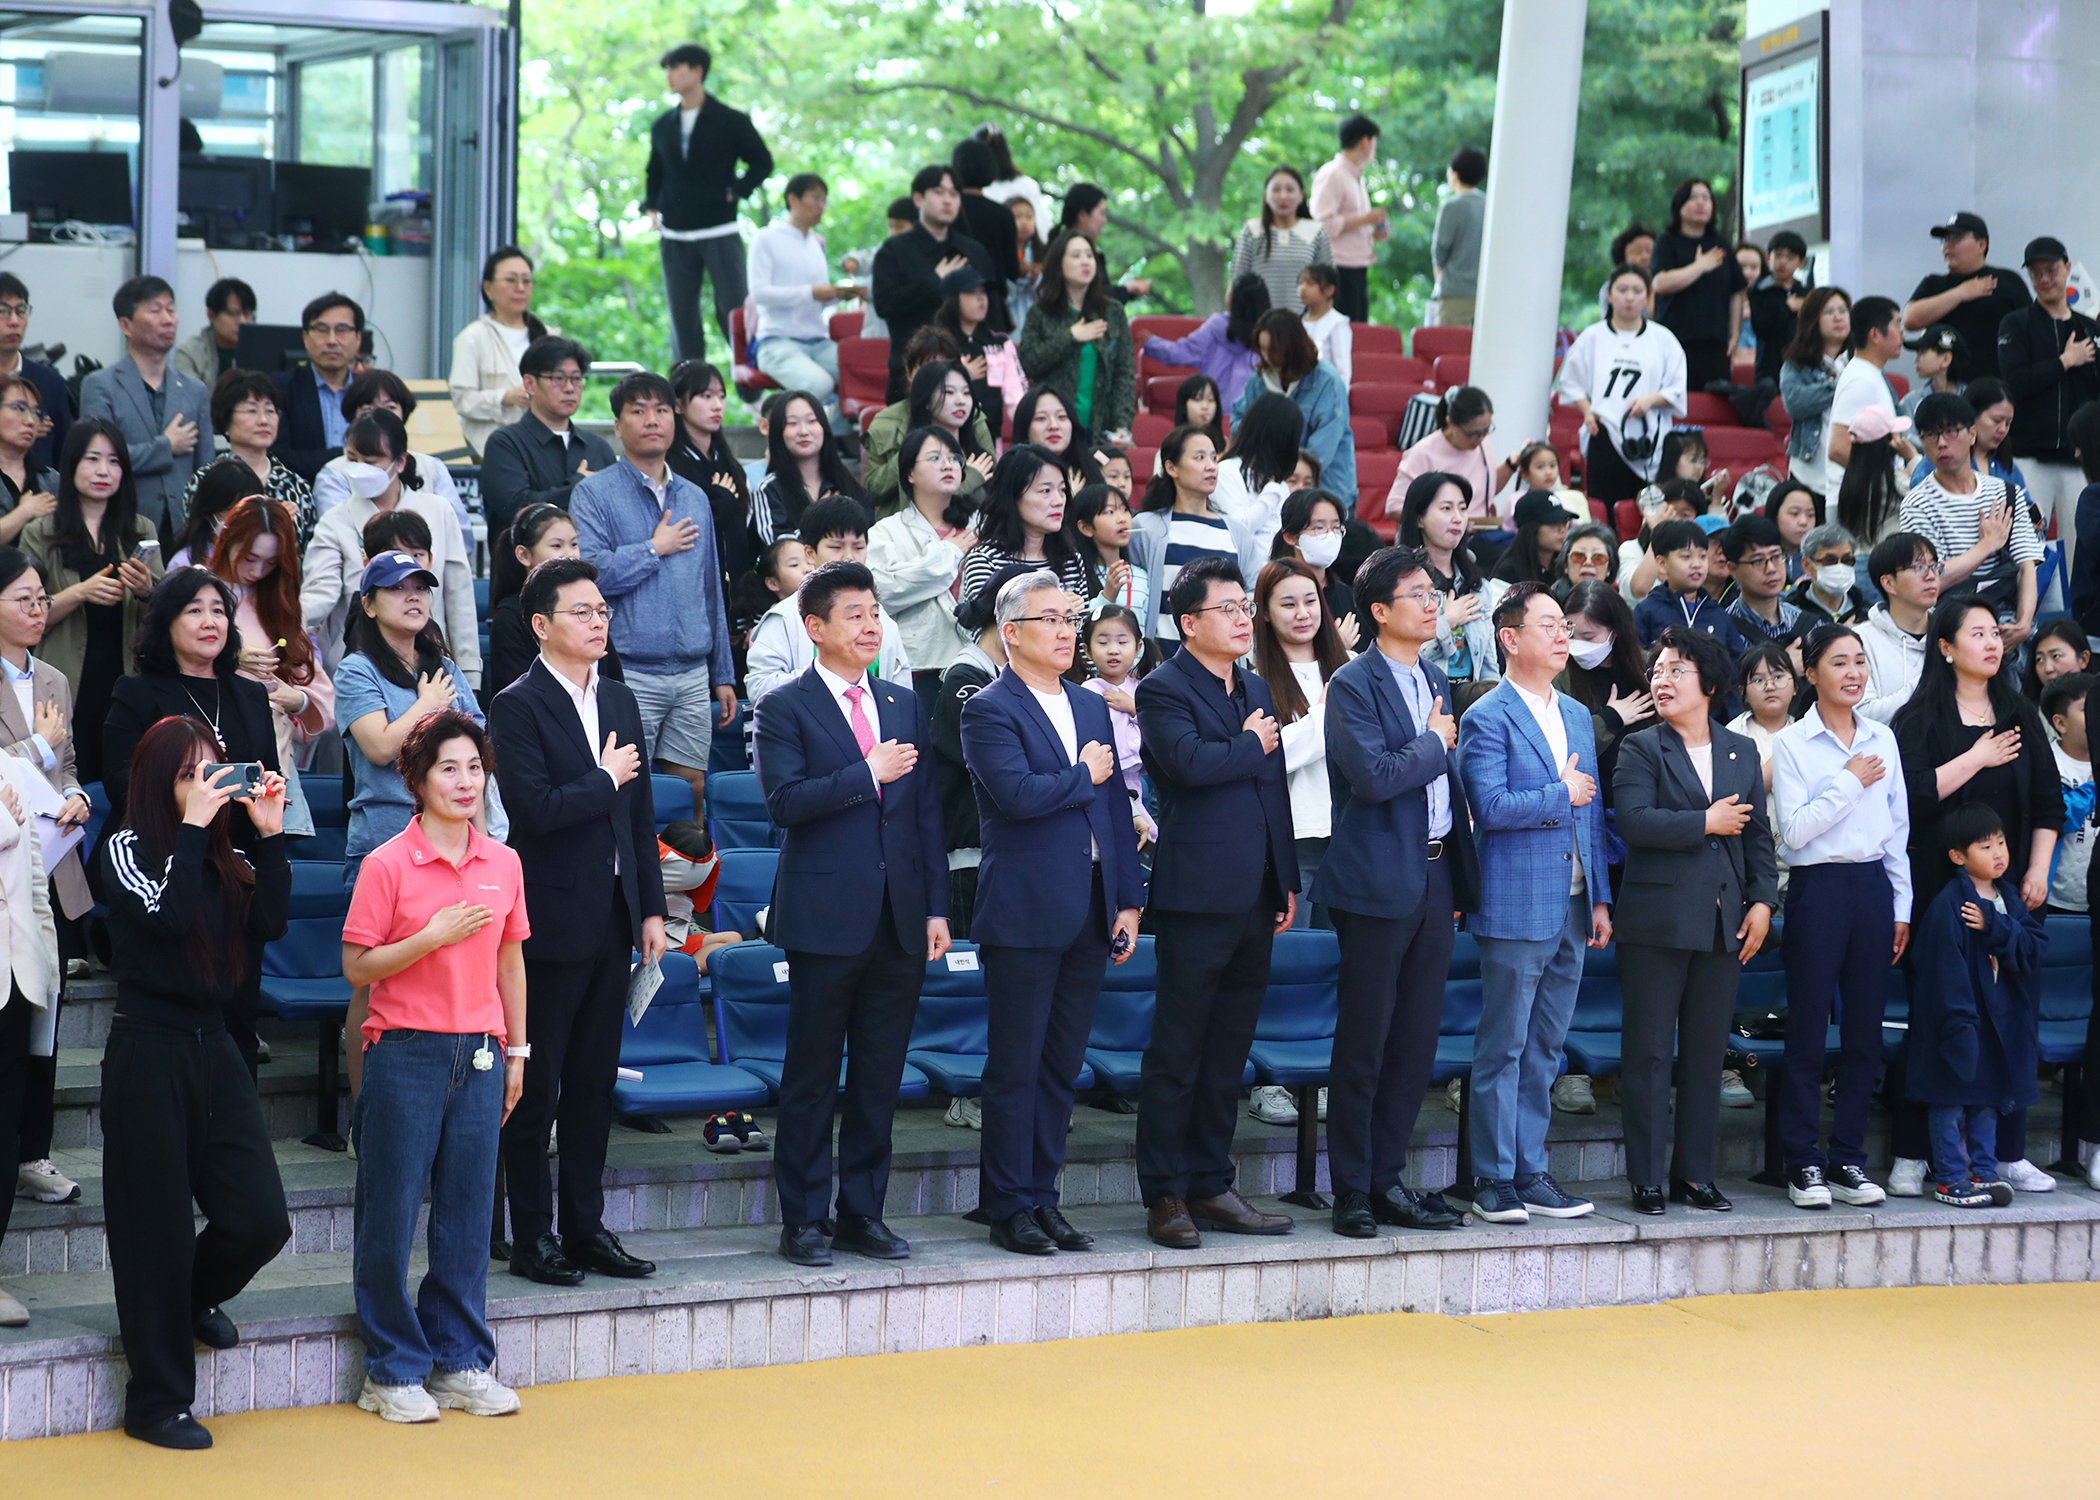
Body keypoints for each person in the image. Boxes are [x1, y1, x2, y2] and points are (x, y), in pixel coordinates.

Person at [98, 717, 290, 1448]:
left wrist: (267, 836)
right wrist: (191, 828)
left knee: (260, 1218)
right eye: (188, 775)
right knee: (156, 1232)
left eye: (213, 771)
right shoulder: (125, 847)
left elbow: (269, 921)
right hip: (148, 1048)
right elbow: (170, 918)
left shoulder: (226, 850)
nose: (205, 787)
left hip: (216, 1046)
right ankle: (156, 1402)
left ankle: (186, 1302)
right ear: (156, 782)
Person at [756, 560, 949, 1266]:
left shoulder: (903, 703)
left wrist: (935, 906)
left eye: (876, 613)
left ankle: (861, 1213)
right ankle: (802, 1219)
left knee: (878, 1076)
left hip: (900, 918)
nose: (871, 626)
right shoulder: (785, 707)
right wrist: (866, 773)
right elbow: (785, 804)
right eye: (855, 615)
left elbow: (925, 814)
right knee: (811, 1077)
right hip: (824, 916)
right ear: (815, 627)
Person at [343, 710, 529, 1424]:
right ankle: (391, 1370)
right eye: (448, 768)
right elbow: (356, 967)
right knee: (388, 1213)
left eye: (475, 767)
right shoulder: (388, 862)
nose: (465, 781)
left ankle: (459, 1361)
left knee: (466, 1212)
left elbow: (511, 959)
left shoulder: (503, 861)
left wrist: (518, 1049)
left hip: (481, 1051)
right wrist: (429, 937)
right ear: (416, 781)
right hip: (406, 1052)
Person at [488, 557, 664, 1285]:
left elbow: (641, 810)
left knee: (594, 1086)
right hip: (550, 919)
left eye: (603, 612)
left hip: (617, 919)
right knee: (539, 1084)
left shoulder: (619, 698)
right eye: (583, 612)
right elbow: (535, 812)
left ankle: (586, 1228)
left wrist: (652, 905)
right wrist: (601, 780)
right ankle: (532, 1236)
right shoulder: (517, 704)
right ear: (541, 625)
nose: (599, 623)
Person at [960, 571, 1142, 1253]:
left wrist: (1128, 898)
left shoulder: (1091, 706)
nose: (1068, 632)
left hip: (1093, 907)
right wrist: (1083, 775)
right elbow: (1016, 796)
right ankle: (1006, 1204)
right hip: (1026, 909)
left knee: (1062, 1065)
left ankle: (1044, 1195)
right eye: (1053, 620)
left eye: (1072, 619)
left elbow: (1116, 811)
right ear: (1012, 633)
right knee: (1016, 1066)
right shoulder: (989, 708)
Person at [1311, 543, 1476, 1233]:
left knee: (1415, 1041)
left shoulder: (1437, 676)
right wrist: (1436, 743)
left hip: (1437, 874)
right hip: (1376, 878)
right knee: (1365, 1039)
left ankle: (1389, 1180)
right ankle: (1351, 1187)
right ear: (1378, 611)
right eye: (1417, 593)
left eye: (1434, 591)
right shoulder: (1353, 683)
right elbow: (1375, 778)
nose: (1432, 601)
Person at [1133, 556, 1297, 1248]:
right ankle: (1165, 1193)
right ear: (1189, 621)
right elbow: (1189, 768)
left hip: (1257, 890)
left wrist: (1285, 876)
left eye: (1242, 608)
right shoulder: (1162, 688)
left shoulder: (1254, 682)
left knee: (1228, 1047)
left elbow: (1272, 787)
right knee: (1178, 1048)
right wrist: (1250, 742)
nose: (1240, 619)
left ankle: (1211, 1182)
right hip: (1197, 894)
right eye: (1226, 609)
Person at [1886, 594, 2062, 1197]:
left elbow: (2046, 803)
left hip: (2006, 894)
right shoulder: (1920, 718)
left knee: (2011, 1023)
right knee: (1939, 1021)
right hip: (1938, 896)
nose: (1992, 643)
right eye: (1978, 634)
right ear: (1945, 647)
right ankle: (1913, 1152)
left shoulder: (2017, 711)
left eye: (1996, 634)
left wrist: (2035, 870)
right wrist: (1977, 756)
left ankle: (2005, 1155)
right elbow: (1906, 799)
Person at [1455, 583, 1611, 1224]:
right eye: (1547, 624)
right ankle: (1491, 1178)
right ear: (1509, 639)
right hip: (1516, 902)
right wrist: (1560, 793)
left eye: (1564, 625)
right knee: (1504, 1045)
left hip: (1574, 902)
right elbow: (1488, 809)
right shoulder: (1486, 715)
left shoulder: (1577, 714)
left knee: (1547, 1045)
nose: (1561, 634)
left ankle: (1531, 1168)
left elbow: (1593, 814)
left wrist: (1600, 897)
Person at [1612, 627, 1777, 1215]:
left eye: (1676, 670)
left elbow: (1757, 837)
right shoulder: (1641, 747)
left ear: (1709, 684)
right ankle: (1646, 1177)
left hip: (1724, 923)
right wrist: (1703, 823)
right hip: (1657, 922)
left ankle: (1695, 1174)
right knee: (1650, 1053)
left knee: (1708, 1054)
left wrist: (1762, 902)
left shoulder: (1741, 750)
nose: (1661, 679)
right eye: (1657, 670)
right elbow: (1632, 820)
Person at [334, 550, 488, 1102]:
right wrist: (426, 705)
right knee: (375, 986)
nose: (414, 596)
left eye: (421, 586)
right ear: (369, 604)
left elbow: (474, 752)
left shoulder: (442, 667)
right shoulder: (357, 669)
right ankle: (365, 1111)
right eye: (398, 588)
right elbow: (378, 747)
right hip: (386, 843)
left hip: (455, 848)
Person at [1770, 622, 1911, 1208]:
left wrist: (1901, 905)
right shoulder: (1792, 744)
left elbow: (1897, 829)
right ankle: (1801, 1161)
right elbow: (1794, 835)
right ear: (1812, 673)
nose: (1854, 673)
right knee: (1807, 1031)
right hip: (1817, 888)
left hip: (1873, 887)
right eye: (1839, 663)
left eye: (1860, 662)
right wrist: (1849, 783)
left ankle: (1848, 1158)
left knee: (1864, 1034)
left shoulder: (1883, 736)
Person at [570, 372, 738, 803]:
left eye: (662, 410)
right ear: (617, 425)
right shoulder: (593, 493)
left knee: (690, 791)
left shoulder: (695, 496)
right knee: (627, 789)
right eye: (638, 411)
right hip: (629, 669)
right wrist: (653, 549)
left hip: (692, 671)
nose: (652, 420)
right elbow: (591, 576)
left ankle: (685, 872)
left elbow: (710, 590)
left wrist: (723, 674)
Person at [1903, 803, 2041, 1207]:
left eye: (2001, 842)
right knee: (1949, 1100)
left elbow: (2033, 949)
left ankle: (1983, 1172)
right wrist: (1959, 1024)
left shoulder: (2009, 898)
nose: (1998, 852)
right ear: (1958, 857)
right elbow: (1941, 971)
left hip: (1998, 1024)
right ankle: (1948, 1177)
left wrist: (1995, 925)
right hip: (1959, 1023)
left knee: (1987, 1099)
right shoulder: (1950, 904)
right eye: (1985, 846)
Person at [22, 421, 160, 783]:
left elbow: (164, 616)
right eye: (93, 459)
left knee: (127, 781)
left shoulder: (141, 529)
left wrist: (147, 590)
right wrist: (81, 592)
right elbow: (23, 613)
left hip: (127, 673)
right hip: (64, 677)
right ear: (70, 466)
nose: (103, 471)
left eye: (114, 462)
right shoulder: (42, 532)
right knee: (66, 780)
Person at [302, 408, 480, 687]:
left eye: (371, 461)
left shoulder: (438, 511)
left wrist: (470, 674)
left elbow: (459, 598)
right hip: (357, 663)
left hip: (428, 663)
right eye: (352, 459)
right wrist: (285, 618)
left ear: (400, 462)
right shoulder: (336, 520)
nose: (359, 469)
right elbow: (319, 593)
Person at [206, 498, 333, 837]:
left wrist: (299, 701)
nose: (257, 571)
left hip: (271, 763)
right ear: (228, 539)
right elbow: (164, 660)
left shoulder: (280, 606)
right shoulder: (195, 587)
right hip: (206, 757)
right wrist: (231, 657)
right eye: (250, 558)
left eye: (270, 562)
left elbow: (319, 695)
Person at [643, 43, 773, 363]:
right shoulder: (662, 125)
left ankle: (751, 383)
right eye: (667, 70)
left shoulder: (731, 120)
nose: (670, 76)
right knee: (682, 317)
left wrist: (737, 190)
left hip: (719, 227)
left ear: (697, 71)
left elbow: (762, 162)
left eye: (676, 68)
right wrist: (651, 208)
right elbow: (654, 171)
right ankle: (685, 392)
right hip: (675, 233)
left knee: (732, 311)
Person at [1250, 559, 1348, 929]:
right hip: (1296, 837)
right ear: (1265, 613)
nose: (1303, 613)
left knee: (1349, 958)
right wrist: (1325, 717)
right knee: (1296, 954)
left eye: (1311, 601)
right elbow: (1268, 753)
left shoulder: (1352, 668)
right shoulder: (1253, 677)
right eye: (1288, 604)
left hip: (1351, 834)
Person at [0, 700, 58, 1323]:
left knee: (4, 1133)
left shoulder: (12, 773)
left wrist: (43, 974)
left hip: (15, 981)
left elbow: (36, 886)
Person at [1900, 392, 2039, 648]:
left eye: (1951, 431)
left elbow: (2026, 565)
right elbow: (1932, 579)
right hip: (1952, 626)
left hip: (2004, 617)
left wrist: (2024, 623)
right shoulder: (1917, 503)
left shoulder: (2005, 492)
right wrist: (1987, 545)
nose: (1942, 443)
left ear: (1972, 435)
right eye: (1931, 435)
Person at [78, 276, 213, 536]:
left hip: (183, 528)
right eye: (155, 310)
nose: (168, 318)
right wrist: (166, 447)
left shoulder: (195, 390)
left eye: (171, 309)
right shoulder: (100, 384)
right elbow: (98, 460)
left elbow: (205, 469)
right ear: (125, 325)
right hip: (121, 524)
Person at [746, 496, 913, 703]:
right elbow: (759, 687)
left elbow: (901, 692)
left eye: (858, 547)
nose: (849, 557)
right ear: (809, 553)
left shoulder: (882, 619)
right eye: (836, 547)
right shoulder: (785, 617)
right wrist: (829, 675)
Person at [1997, 235, 2100, 568]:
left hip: (2079, 460)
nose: (2044, 279)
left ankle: (2079, 619)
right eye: (2036, 272)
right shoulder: (2016, 324)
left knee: (2082, 545)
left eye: (2052, 270)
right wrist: (2065, 361)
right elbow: (2015, 382)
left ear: (2067, 269)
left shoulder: (2089, 328)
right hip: (2029, 458)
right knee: (2026, 548)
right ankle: (2025, 617)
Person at [1559, 264, 1689, 505]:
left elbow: (1677, 388)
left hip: (1649, 438)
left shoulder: (1663, 339)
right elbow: (1569, 383)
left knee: (1646, 509)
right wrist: (1587, 411)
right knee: (1605, 509)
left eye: (1638, 290)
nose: (1629, 297)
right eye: (1622, 289)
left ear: (1648, 297)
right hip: (1604, 432)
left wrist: (1651, 400)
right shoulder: (1592, 337)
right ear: (1609, 295)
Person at [1126, 425, 1264, 650]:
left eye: (1213, 458)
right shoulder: (1146, 528)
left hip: (1224, 666)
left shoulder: (1237, 532)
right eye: (1199, 457)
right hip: (1163, 663)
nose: (1211, 466)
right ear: (1171, 467)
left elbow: (1254, 596)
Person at [873, 165, 997, 403]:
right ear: (918, 198)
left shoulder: (974, 251)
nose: (948, 200)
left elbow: (993, 310)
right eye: (939, 192)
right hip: (911, 371)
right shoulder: (894, 250)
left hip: (972, 370)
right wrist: (935, 282)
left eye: (954, 194)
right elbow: (884, 305)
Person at [869, 426, 976, 697]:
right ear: (909, 473)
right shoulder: (887, 531)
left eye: (954, 458)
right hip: (919, 666)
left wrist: (917, 572)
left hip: (978, 662)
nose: (948, 465)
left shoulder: (979, 527)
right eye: (934, 458)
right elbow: (883, 592)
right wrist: (948, 554)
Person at [476, 336, 616, 535]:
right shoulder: (505, 443)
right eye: (558, 378)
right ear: (530, 384)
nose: (569, 388)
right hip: (525, 564)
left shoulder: (598, 448)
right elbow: (518, 510)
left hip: (590, 564)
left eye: (576, 378)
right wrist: (578, 485)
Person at [309, 371, 470, 538]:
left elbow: (459, 534)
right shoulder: (334, 474)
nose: (380, 416)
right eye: (368, 409)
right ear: (353, 416)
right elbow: (335, 535)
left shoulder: (432, 467)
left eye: (390, 408)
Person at [1018, 230, 1137, 444]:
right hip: (1052, 429)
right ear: (1058, 264)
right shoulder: (1041, 312)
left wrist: (1122, 424)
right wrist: (1070, 336)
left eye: (1089, 255)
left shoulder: (1113, 311)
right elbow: (1027, 363)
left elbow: (1124, 373)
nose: (1085, 262)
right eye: (1076, 256)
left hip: (1100, 429)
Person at [748, 172, 854, 411]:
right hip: (777, 340)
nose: (821, 206)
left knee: (862, 372)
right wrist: (811, 293)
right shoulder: (766, 238)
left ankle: (836, 439)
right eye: (815, 199)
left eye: (824, 200)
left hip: (818, 340)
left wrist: (837, 295)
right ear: (793, 199)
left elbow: (818, 298)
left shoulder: (817, 243)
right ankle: (782, 432)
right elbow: (759, 293)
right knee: (819, 384)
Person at [1236, 308, 1354, 511]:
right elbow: (1241, 423)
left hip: (1325, 491)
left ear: (1292, 347)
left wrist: (1280, 475)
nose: (1266, 357)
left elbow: (1320, 452)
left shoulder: (1327, 381)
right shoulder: (1258, 380)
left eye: (1272, 350)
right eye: (1261, 349)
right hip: (1269, 490)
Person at [1396, 472, 1498, 701]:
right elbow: (1402, 653)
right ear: (1419, 518)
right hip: (1422, 700)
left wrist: (1493, 702)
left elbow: (1489, 659)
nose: (1458, 518)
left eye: (1462, 509)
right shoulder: (1401, 582)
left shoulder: (1478, 585)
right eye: (1446, 509)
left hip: (1472, 702)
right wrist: (1447, 621)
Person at [957, 443, 1093, 611]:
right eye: (1045, 491)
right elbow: (984, 634)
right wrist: (1054, 608)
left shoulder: (1070, 559)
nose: (1059, 500)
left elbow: (1081, 630)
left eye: (1062, 490)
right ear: (1013, 496)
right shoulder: (986, 561)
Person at [183, 372, 314, 544]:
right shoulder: (206, 480)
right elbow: (197, 547)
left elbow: (307, 553)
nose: (263, 420)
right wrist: (271, 522)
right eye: (252, 410)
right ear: (226, 418)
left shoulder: (296, 486)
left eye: (270, 410)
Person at [486, 504, 600, 699]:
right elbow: (516, 695)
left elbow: (613, 688)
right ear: (524, 555)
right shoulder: (509, 617)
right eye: (556, 546)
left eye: (574, 544)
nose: (570, 554)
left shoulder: (592, 609)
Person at [748, 388, 872, 561]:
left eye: (812, 421)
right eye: (792, 423)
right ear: (777, 432)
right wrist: (819, 519)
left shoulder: (849, 486)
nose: (804, 431)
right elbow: (779, 551)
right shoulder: (768, 489)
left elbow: (869, 541)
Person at [1647, 178, 1748, 390]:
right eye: (1693, 197)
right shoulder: (1667, 241)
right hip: (1675, 342)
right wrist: (1699, 267)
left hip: (1715, 344)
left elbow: (1737, 290)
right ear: (1679, 206)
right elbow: (1660, 283)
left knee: (1715, 405)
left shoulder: (1720, 244)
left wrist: (1735, 333)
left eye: (1706, 198)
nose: (1701, 203)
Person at [1903, 212, 2029, 380]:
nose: (1948, 245)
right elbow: (1910, 319)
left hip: (1996, 388)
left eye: (1956, 238)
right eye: (1944, 239)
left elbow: (2030, 329)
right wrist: (1960, 293)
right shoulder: (1934, 284)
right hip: (1949, 389)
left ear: (1981, 245)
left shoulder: (2006, 281)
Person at [447, 246, 546, 458]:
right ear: (489, 288)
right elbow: (461, 400)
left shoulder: (546, 337)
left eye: (526, 281)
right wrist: (505, 397)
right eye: (511, 280)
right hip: (488, 449)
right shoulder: (473, 337)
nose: (520, 288)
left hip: (540, 447)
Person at [666, 359, 753, 598]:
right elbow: (685, 530)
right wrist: (721, 500)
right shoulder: (671, 465)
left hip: (737, 590)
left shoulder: (728, 463)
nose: (717, 405)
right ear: (678, 404)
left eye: (722, 396)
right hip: (693, 589)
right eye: (706, 396)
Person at [865, 359, 992, 510]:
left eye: (966, 393)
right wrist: (970, 480)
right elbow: (927, 507)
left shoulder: (977, 449)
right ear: (927, 401)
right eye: (949, 392)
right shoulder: (915, 453)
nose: (961, 401)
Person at [269, 292, 366, 485]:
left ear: (358, 339)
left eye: (342, 330)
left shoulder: (369, 391)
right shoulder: (280, 388)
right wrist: (343, 456)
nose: (332, 340)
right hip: (302, 497)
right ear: (305, 337)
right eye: (322, 330)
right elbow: (277, 455)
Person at [1140, 273, 1267, 417]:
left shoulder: (1215, 328)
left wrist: (1152, 343)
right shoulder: (1272, 335)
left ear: (1233, 299)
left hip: (1213, 411)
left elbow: (1180, 353)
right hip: (1256, 414)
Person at [1826, 295, 1919, 487]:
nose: (1903, 334)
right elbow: (1838, 449)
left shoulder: (1871, 375)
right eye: (1897, 326)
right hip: (1859, 502)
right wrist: (1887, 479)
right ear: (1875, 334)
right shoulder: (1861, 380)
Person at [1309, 113, 1388, 324]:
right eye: (1374, 142)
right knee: (1342, 335)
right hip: (1338, 270)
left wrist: (1372, 232)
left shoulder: (1356, 177)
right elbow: (1321, 224)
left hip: (1358, 268)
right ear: (1365, 141)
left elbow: (1347, 224)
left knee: (1358, 334)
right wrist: (1365, 219)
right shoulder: (1333, 174)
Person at [1392, 384, 1511, 524]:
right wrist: (1443, 524)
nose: (1479, 439)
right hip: (1439, 538)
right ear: (1451, 423)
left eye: (1486, 431)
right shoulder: (1423, 453)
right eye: (1472, 434)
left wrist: (1511, 465)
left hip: (1479, 532)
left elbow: (1485, 491)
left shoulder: (1485, 444)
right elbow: (1394, 507)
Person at [933, 265, 1028, 435]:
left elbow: (1017, 394)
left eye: (983, 292)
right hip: (947, 437)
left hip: (992, 438)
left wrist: (1029, 424)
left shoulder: (1001, 342)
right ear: (953, 299)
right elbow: (926, 388)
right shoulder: (937, 343)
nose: (981, 299)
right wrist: (961, 374)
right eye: (971, 293)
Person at [1858, 530, 1942, 721]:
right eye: (1918, 567)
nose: (1931, 576)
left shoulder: (1952, 632)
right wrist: (1930, 680)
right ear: (1888, 583)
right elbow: (1863, 716)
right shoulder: (1860, 640)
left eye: (1934, 566)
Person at [1633, 518, 1750, 653]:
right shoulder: (1647, 611)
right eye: (1686, 556)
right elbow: (1635, 662)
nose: (1696, 564)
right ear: (1662, 564)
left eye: (1702, 556)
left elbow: (1735, 665)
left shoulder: (1718, 614)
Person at [1227, 166, 1334, 314]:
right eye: (1276, 190)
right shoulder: (1252, 231)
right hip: (1259, 324)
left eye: (1290, 190)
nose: (1283, 196)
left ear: (1301, 195)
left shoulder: (1316, 232)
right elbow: (1236, 283)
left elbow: (1328, 286)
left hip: (1304, 327)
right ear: (1266, 195)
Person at [1213, 389, 1304, 560]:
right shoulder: (1226, 472)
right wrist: (1272, 491)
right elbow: (1239, 528)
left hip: (1277, 576)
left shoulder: (1280, 484)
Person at [1779, 286, 1853, 498]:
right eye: (1829, 312)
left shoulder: (1861, 362)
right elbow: (1795, 403)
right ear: (1813, 320)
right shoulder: (1797, 364)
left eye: (1843, 311)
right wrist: (1843, 383)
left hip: (1852, 472)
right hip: (1809, 473)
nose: (1838, 317)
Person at [0, 275, 69, 474]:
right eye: (3, 311)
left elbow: (66, 454)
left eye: (21, 311)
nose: (14, 321)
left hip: (43, 495)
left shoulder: (50, 382)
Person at [950, 137, 1018, 332]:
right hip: (989, 305)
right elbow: (1012, 270)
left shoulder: (949, 212)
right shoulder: (1003, 213)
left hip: (952, 305)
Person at [2044, 672, 2093, 913]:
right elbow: (2060, 818)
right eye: (2088, 709)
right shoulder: (2047, 763)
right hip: (2055, 897)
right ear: (2060, 723)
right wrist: (2092, 787)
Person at [1833, 402, 1913, 547]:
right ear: (1887, 443)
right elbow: (1927, 490)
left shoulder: (1852, 479)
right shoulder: (1894, 481)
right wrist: (1913, 458)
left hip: (1860, 555)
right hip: (1886, 557)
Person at [1720, 513, 1805, 646]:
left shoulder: (1806, 624)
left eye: (1776, 556)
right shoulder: (1721, 633)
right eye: (1758, 560)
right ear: (1733, 569)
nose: (1771, 568)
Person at [1426, 146, 1487, 328]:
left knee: (1449, 351)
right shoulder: (1490, 205)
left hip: (1455, 296)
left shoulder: (1451, 206)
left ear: (1455, 174)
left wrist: (1440, 282)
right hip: (1485, 294)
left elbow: (1440, 252)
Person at [1746, 231, 1808, 389]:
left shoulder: (1806, 293)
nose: (1783, 262)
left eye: (1791, 257)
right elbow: (1760, 326)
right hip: (1768, 364)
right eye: (1778, 255)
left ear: (1801, 262)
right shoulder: (1759, 290)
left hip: (1799, 364)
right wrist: (1787, 308)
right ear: (1768, 258)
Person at [0, 371, 57, 545]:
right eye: (20, 408)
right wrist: (25, 511)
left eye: (35, 413)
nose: (31, 421)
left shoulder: (52, 479)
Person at [1073, 481, 1143, 613]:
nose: (1122, 519)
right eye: (1110, 512)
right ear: (1086, 528)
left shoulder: (1142, 576)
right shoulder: (1077, 577)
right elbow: (1078, 624)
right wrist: (1107, 596)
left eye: (1125, 509)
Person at [1784, 522, 1872, 627]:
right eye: (1830, 561)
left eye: (1847, 560)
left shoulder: (1869, 613)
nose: (1840, 567)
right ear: (1807, 565)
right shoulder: (1790, 614)